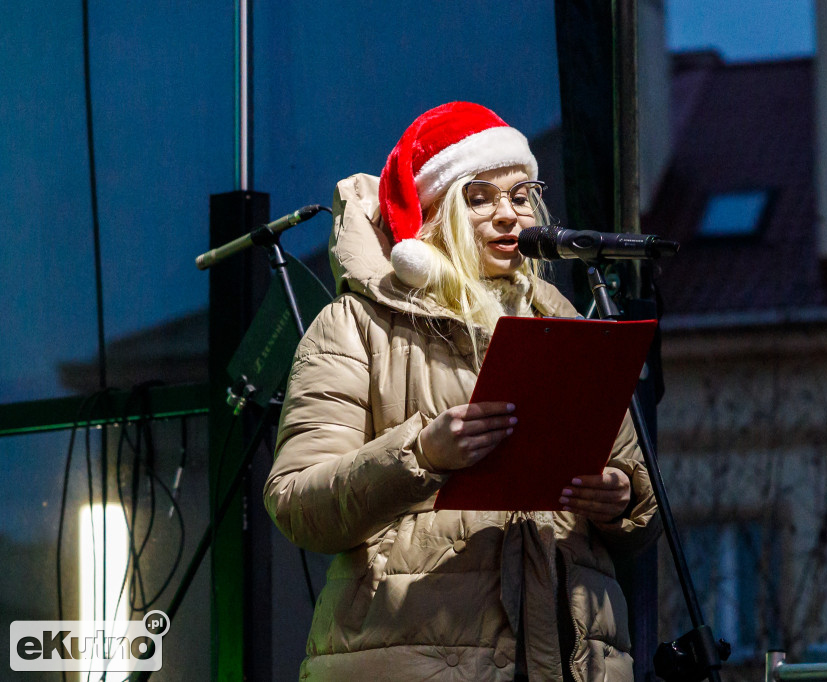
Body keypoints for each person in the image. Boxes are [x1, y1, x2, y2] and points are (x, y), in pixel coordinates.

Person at [264, 101, 661, 681]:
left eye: (521, 195)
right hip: (414, 659)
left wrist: (622, 499)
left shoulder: (570, 327)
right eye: (480, 197)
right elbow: (297, 503)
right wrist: (420, 456)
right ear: (431, 217)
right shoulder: (355, 325)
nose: (509, 215)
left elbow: (636, 506)